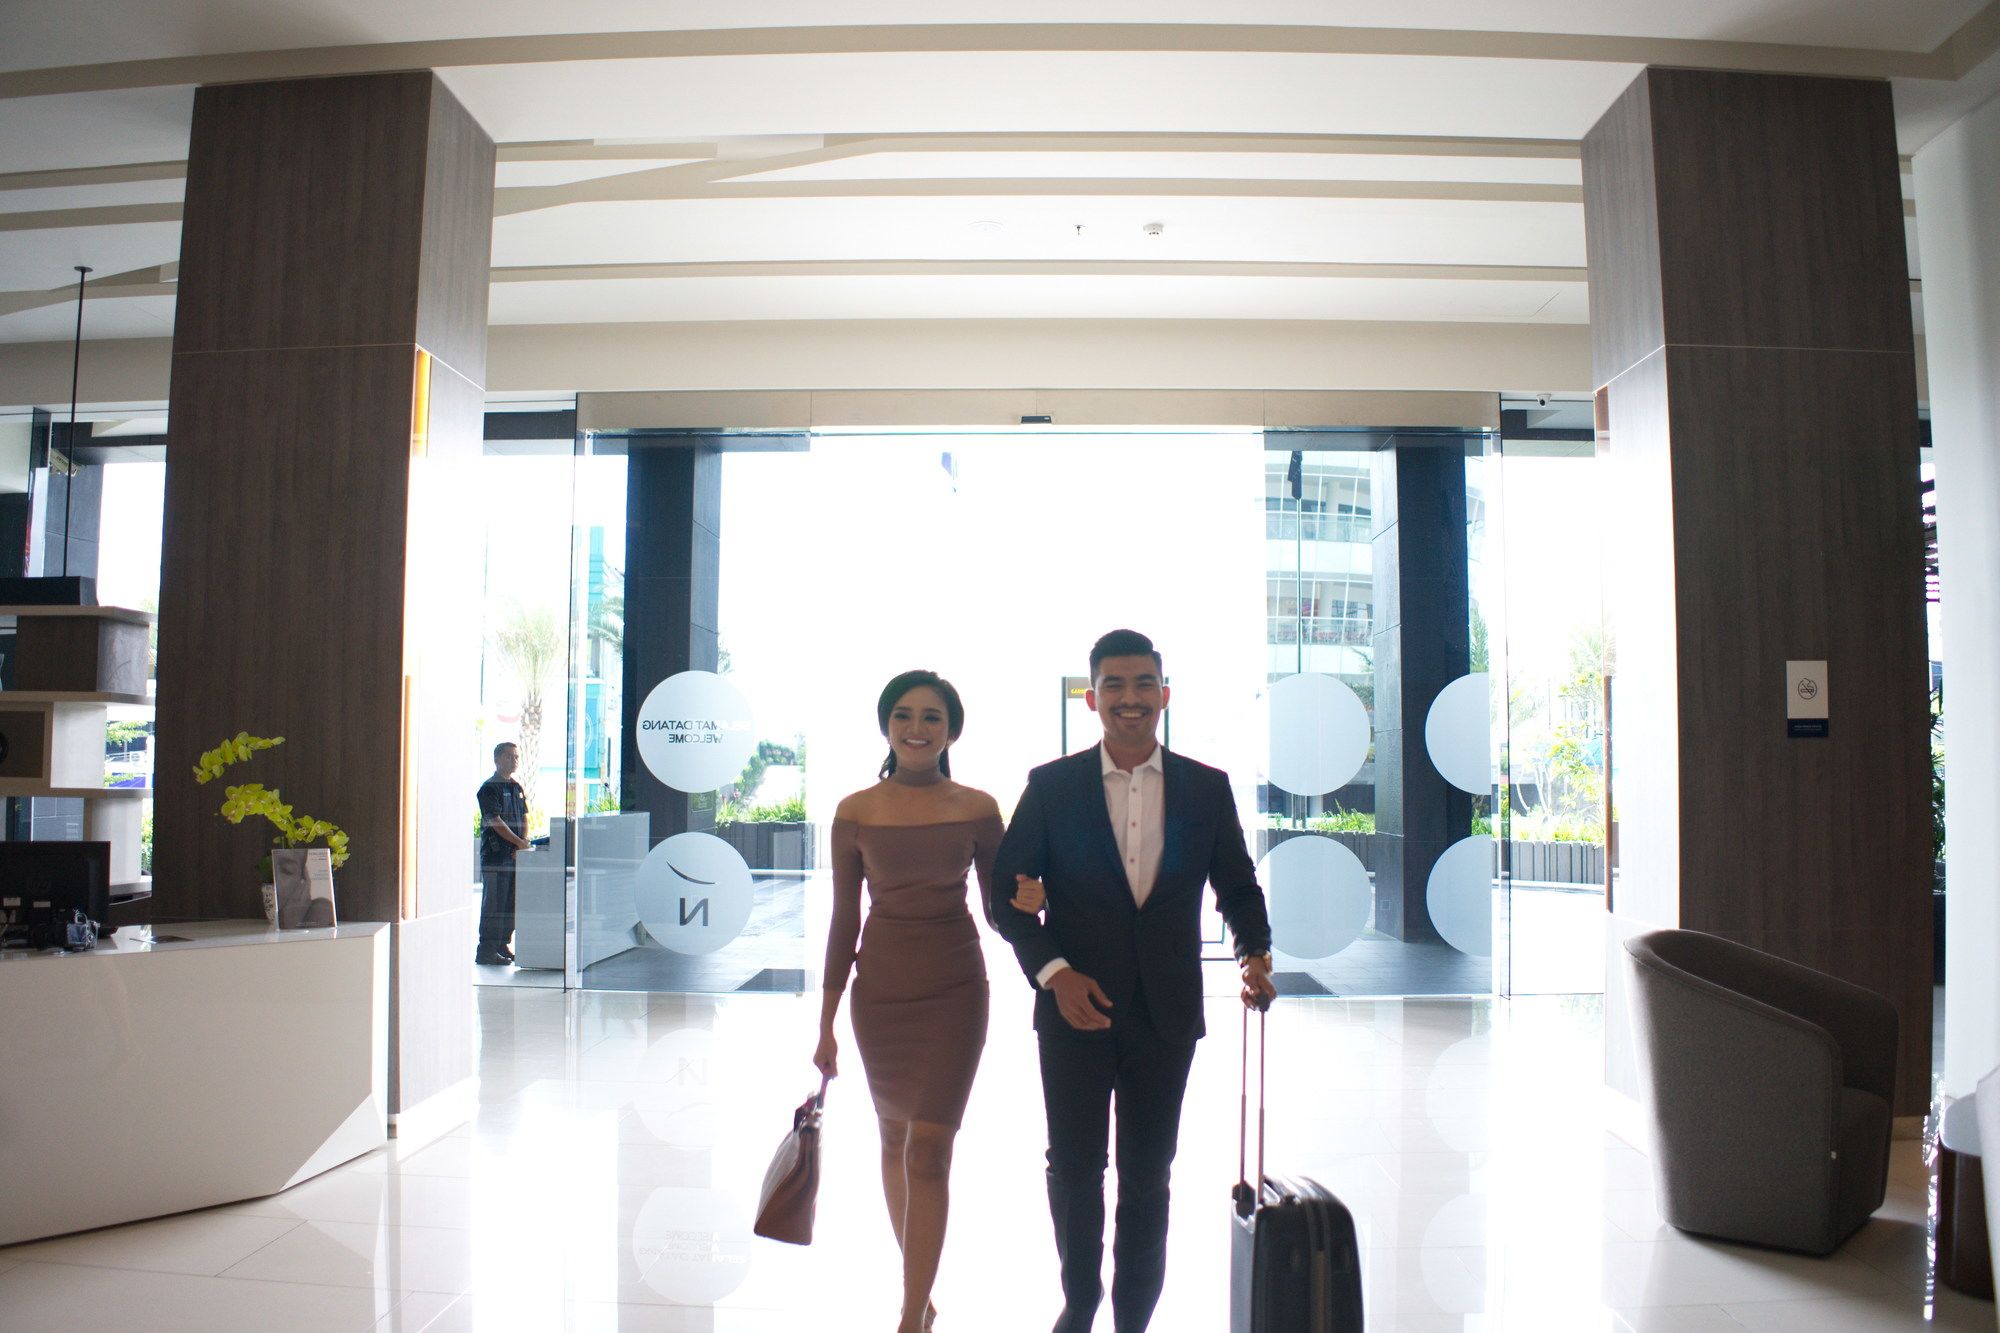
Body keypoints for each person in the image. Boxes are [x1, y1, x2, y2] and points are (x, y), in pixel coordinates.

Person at [991, 629, 1276, 1333]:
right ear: (1091, 698)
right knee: (1075, 1167)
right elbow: (1006, 896)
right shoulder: (1052, 787)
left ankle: (1132, 1319)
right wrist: (1055, 973)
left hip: (1165, 1013)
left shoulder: (1205, 787)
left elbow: (1237, 885)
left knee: (1149, 1176)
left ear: (1164, 695)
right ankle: (1080, 1301)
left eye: (1143, 683)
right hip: (1073, 1009)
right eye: (1113, 684)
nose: (1129, 697)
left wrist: (1254, 954)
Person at [816, 670, 1034, 1333]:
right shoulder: (855, 810)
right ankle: (921, 1290)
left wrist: (1034, 899)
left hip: (954, 990)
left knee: (929, 1151)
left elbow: (1000, 911)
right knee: (892, 1139)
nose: (917, 728)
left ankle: (911, 1314)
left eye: (932, 717)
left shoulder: (978, 807)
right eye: (904, 715)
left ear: (952, 731)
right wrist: (825, 1024)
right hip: (879, 994)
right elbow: (844, 918)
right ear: (886, 726)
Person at [475, 741, 531, 965]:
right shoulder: (489, 788)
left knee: (509, 903)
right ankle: (486, 950)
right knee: (494, 904)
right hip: (495, 857)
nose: (513, 760)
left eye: (516, 756)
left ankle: (501, 944)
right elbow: (494, 820)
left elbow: (524, 816)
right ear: (497, 760)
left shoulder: (516, 787)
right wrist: (518, 843)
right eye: (508, 756)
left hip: (514, 855)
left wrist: (521, 844)